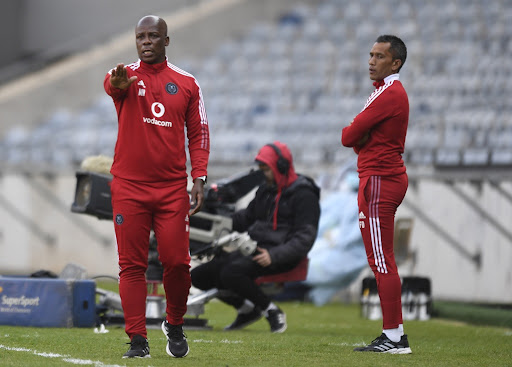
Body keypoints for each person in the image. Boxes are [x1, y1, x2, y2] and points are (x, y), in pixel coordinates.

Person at [104, 15, 209, 359]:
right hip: (129, 188)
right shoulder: (123, 76)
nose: (146, 41)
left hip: (171, 190)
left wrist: (200, 176)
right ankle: (137, 340)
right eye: (140, 36)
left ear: (166, 41)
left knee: (177, 262)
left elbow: (199, 133)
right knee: (131, 265)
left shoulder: (188, 83)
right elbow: (112, 85)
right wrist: (117, 84)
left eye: (153, 36)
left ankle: (174, 322)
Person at [191, 142, 320, 333]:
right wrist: (211, 223)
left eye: (266, 169)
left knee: (230, 273)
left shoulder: (304, 195)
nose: (262, 174)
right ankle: (247, 310)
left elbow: (305, 238)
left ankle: (272, 311)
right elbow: (245, 218)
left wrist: (274, 255)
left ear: (281, 167)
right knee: (199, 275)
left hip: (282, 254)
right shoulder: (266, 190)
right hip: (255, 248)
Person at [341, 35, 412, 354]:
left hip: (380, 180)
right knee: (381, 260)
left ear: (395, 63)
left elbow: (348, 136)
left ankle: (395, 337)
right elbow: (356, 138)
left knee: (382, 261)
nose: (371, 61)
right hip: (380, 178)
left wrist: (359, 136)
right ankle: (393, 334)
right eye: (370, 54)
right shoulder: (385, 92)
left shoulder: (389, 94)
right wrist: (359, 137)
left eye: (380, 56)